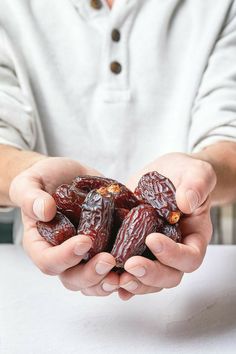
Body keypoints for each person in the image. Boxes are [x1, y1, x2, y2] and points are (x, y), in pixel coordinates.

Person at [0, 0, 236, 301]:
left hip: (205, 290)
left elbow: (229, 133)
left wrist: (202, 174)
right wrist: (31, 181)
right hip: (29, 290)